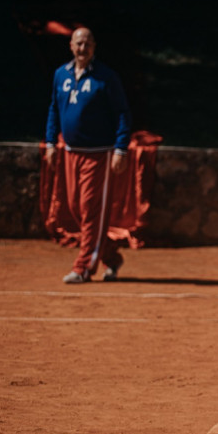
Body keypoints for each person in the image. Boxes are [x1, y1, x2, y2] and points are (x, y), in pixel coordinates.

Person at [44, 27, 131, 283]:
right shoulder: (61, 74)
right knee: (75, 209)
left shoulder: (106, 77)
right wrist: (50, 142)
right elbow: (53, 109)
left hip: (99, 155)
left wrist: (121, 148)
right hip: (71, 153)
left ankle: (83, 268)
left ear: (94, 46)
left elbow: (123, 113)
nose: (83, 48)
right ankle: (112, 257)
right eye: (78, 43)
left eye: (88, 44)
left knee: (90, 209)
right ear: (71, 46)